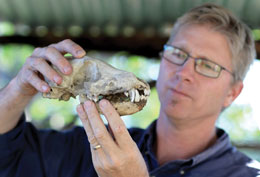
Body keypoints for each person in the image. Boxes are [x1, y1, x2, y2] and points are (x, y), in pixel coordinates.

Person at [0, 3, 259, 177]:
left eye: (207, 65)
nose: (184, 72)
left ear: (232, 93)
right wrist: (18, 89)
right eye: (178, 53)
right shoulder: (89, 148)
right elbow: (8, 155)